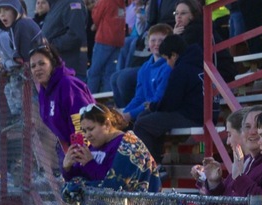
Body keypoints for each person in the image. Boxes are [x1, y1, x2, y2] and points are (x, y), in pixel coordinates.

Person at [133, 34, 203, 165]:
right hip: (196, 113)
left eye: (166, 59)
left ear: (174, 55)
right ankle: (158, 162)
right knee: (145, 117)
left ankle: (152, 167)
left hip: (192, 117)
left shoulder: (181, 70)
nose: (167, 64)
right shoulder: (196, 63)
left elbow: (170, 102)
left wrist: (153, 106)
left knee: (142, 124)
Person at [62, 103, 160, 192]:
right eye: (84, 131)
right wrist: (68, 168)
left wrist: (89, 164)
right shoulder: (94, 145)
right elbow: (80, 178)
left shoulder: (127, 146)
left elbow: (113, 187)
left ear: (107, 124)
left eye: (91, 129)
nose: (87, 135)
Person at [30, 44, 95, 157]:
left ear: (53, 64)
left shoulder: (68, 85)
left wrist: (79, 154)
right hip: (68, 149)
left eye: (42, 63)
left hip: (87, 151)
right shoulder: (43, 91)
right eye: (33, 66)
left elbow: (82, 123)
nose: (37, 69)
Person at [121, 24, 174, 125]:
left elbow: (158, 99)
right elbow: (139, 97)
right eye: (153, 40)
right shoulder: (144, 67)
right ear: (148, 42)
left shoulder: (169, 67)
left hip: (160, 112)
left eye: (161, 40)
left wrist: (130, 115)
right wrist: (124, 114)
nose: (157, 44)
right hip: (145, 112)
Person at [41, 0, 89, 81]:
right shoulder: (57, 3)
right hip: (57, 67)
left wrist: (51, 46)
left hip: (70, 68)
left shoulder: (73, 3)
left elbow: (75, 36)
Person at [87, 0, 125, 93]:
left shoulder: (105, 1)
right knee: (109, 73)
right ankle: (106, 98)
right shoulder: (122, 2)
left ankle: (89, 97)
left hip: (104, 39)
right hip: (118, 40)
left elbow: (96, 16)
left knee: (94, 72)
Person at [0, 0, 46, 66]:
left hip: (42, 65)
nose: (2, 14)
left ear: (16, 10)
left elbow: (26, 59)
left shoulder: (22, 24)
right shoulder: (13, 28)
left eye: (6, 9)